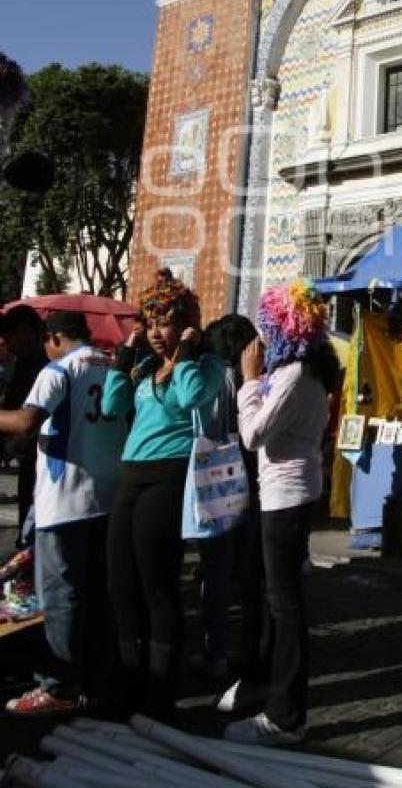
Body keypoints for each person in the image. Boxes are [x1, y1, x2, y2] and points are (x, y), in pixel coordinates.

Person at [101, 268, 224, 717]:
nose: (155, 333)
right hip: (132, 474)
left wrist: (189, 347)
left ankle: (159, 689)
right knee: (119, 582)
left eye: (164, 323)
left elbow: (193, 397)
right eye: (149, 323)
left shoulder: (206, 366)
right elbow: (112, 407)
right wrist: (122, 358)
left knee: (156, 584)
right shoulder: (146, 367)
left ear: (186, 322)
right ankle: (128, 680)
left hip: (169, 475)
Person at [224, 278, 340, 746]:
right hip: (289, 494)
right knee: (278, 601)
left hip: (285, 500)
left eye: (270, 327)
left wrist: (250, 381)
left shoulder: (293, 378)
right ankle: (269, 689)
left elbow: (253, 435)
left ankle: (286, 716)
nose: (264, 338)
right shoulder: (309, 372)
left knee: (285, 605)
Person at [0, 310, 127, 714]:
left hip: (65, 499)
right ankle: (96, 680)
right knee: (96, 595)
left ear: (54, 337)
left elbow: (26, 420)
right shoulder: (113, 365)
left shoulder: (58, 370)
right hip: (106, 496)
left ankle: (58, 686)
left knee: (60, 597)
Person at [189, 312, 259, 681]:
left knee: (215, 568)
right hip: (251, 477)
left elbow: (210, 431)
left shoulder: (217, 378)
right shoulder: (256, 381)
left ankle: (216, 648)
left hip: (217, 480)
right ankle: (249, 646)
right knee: (246, 569)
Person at [0, 305, 47, 545]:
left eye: (9, 334)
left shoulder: (44, 367)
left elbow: (24, 420)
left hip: (43, 461)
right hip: (29, 459)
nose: (6, 342)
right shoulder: (24, 363)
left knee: (34, 531)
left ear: (25, 331)